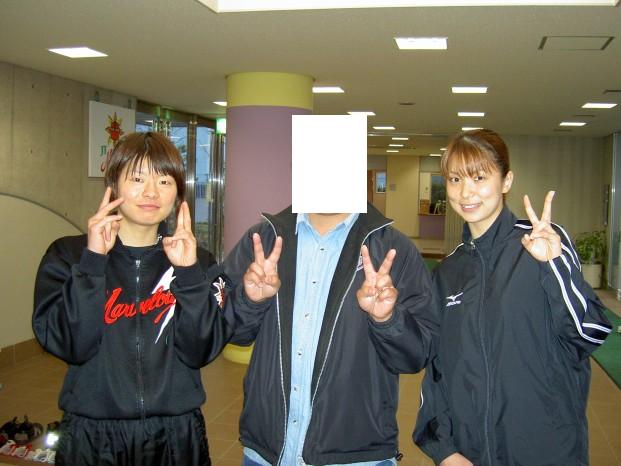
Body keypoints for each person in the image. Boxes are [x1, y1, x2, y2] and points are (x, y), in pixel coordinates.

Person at [413, 129, 612, 466]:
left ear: (506, 181)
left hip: (546, 451)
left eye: (479, 177)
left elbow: (590, 332)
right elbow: (438, 370)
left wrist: (553, 265)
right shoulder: (448, 272)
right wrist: (443, 450)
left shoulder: (542, 244)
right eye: (455, 179)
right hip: (471, 453)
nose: (466, 192)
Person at [33, 132, 233, 466]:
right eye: (137, 179)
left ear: (177, 192)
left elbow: (201, 350)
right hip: (92, 435)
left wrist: (188, 274)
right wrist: (93, 263)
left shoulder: (198, 262)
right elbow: (71, 346)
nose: (151, 192)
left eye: (164, 181)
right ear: (113, 183)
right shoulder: (69, 256)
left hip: (175, 434)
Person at [223, 204, 437, 466]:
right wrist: (250, 301)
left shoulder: (394, 250)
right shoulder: (263, 239)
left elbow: (416, 356)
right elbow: (228, 331)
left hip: (355, 456)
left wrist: (387, 320)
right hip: (265, 452)